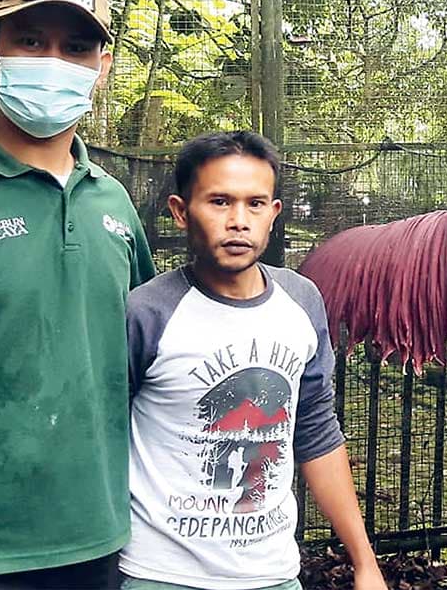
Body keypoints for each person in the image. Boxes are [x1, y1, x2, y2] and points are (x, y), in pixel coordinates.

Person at [0, 0, 156, 588]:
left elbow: (142, 357)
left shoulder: (113, 203)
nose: (53, 62)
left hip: (98, 536)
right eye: (30, 41)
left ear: (102, 67)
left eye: (76, 47)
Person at [120, 131, 387, 590]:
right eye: (219, 202)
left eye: (255, 204)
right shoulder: (146, 312)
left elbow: (316, 432)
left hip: (272, 574)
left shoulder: (301, 301)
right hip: (160, 573)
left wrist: (365, 562)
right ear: (181, 212)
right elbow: (100, 436)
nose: (238, 221)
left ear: (274, 213)